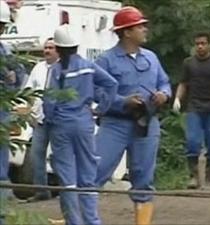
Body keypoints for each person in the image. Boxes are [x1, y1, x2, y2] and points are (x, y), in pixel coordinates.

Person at [94, 6, 171, 225]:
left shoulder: (152, 58)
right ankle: (81, 219)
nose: (145, 29)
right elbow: (97, 92)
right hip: (115, 124)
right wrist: (122, 101)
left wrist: (163, 94)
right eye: (140, 26)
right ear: (127, 32)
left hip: (146, 124)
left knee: (144, 179)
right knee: (94, 172)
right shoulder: (106, 60)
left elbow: (164, 82)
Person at [43, 24, 118, 225]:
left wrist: (50, 119)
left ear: (58, 48)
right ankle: (93, 221)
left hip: (61, 125)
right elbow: (112, 84)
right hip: (84, 123)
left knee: (67, 180)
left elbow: (49, 101)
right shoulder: (88, 66)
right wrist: (101, 108)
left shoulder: (55, 70)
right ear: (76, 45)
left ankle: (74, 222)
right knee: (88, 175)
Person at [173, 31, 210, 189]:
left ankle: (209, 179)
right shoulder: (189, 63)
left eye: (203, 43)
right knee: (192, 141)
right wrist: (178, 99)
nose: (200, 46)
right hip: (194, 107)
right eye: (197, 44)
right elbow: (183, 83)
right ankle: (193, 176)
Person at [0, 1, 27, 224]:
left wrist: (11, 85)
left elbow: (19, 79)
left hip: (1, 116)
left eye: (2, 26)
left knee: (0, 167)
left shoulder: (6, 52)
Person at [24, 38, 59, 202]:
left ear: (58, 50)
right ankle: (41, 191)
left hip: (59, 121)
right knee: (36, 155)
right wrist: (30, 111)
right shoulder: (38, 68)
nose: (47, 51)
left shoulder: (63, 68)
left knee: (60, 156)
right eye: (45, 47)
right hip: (40, 120)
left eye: (51, 48)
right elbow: (29, 90)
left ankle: (66, 189)